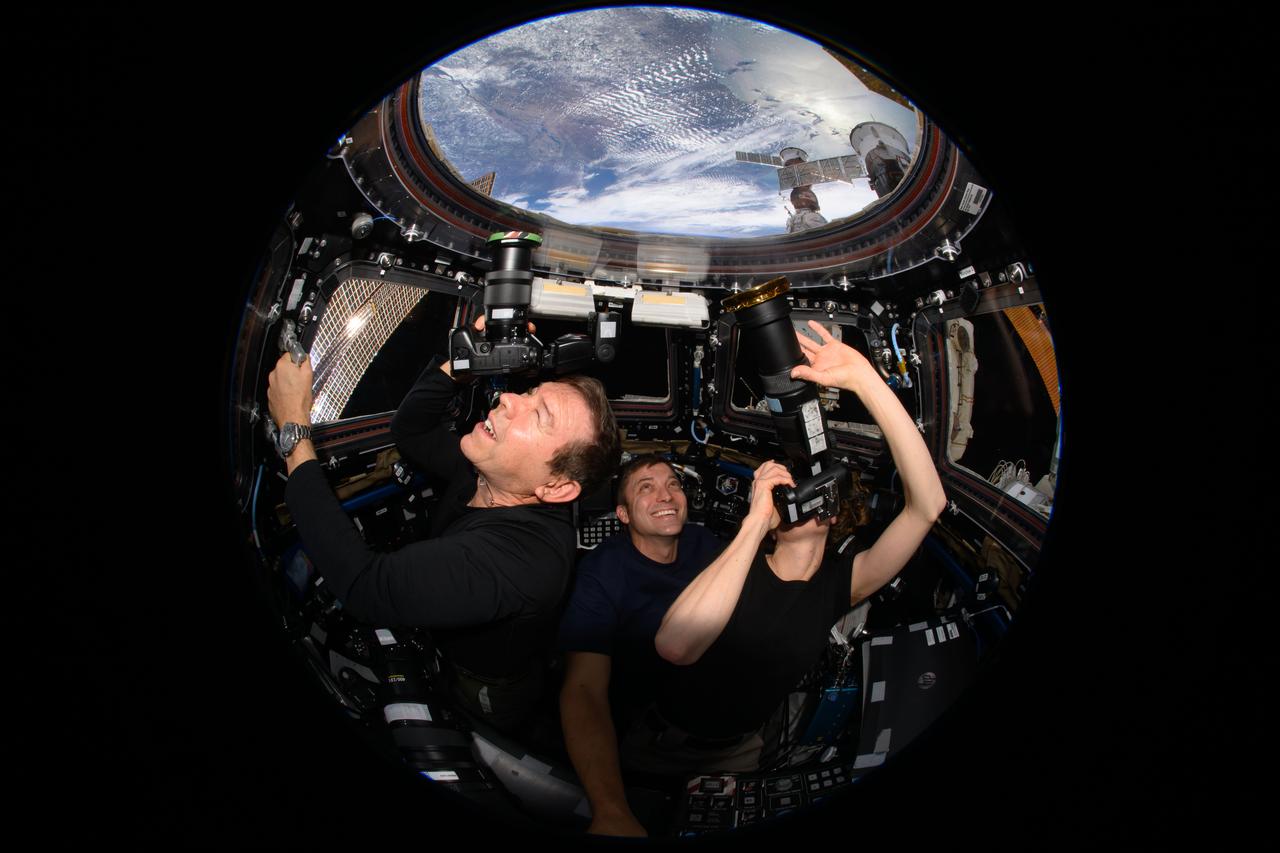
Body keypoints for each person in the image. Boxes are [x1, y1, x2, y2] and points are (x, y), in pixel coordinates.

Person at [266, 335, 621, 734]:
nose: (509, 400)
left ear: (556, 488)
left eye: (540, 416)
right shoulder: (489, 470)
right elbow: (411, 429)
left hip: (483, 687)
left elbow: (367, 588)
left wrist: (294, 430)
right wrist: (467, 357)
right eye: (531, 392)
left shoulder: (528, 560)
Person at [647, 320, 948, 772]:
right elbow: (675, 646)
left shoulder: (839, 587)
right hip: (662, 744)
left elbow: (927, 506)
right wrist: (753, 524)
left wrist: (864, 379)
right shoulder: (736, 565)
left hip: (743, 750)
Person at [557, 454, 724, 837]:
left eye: (673, 484)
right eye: (646, 489)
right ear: (624, 514)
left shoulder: (704, 542)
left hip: (714, 719)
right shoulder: (602, 574)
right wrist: (610, 809)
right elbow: (583, 689)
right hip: (647, 732)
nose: (666, 496)